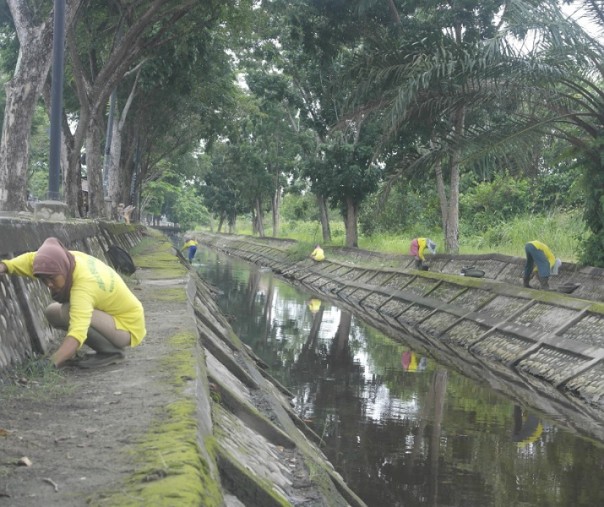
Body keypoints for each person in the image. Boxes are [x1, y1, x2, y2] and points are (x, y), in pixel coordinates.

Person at [0, 237, 146, 369]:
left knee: (68, 311)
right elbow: (32, 260)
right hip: (112, 317)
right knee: (52, 312)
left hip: (127, 326)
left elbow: (78, 331)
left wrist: (52, 362)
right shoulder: (67, 260)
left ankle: (112, 352)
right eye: (44, 280)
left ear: (62, 270)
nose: (49, 284)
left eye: (52, 278)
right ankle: (106, 348)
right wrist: (5, 266)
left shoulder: (83, 286)